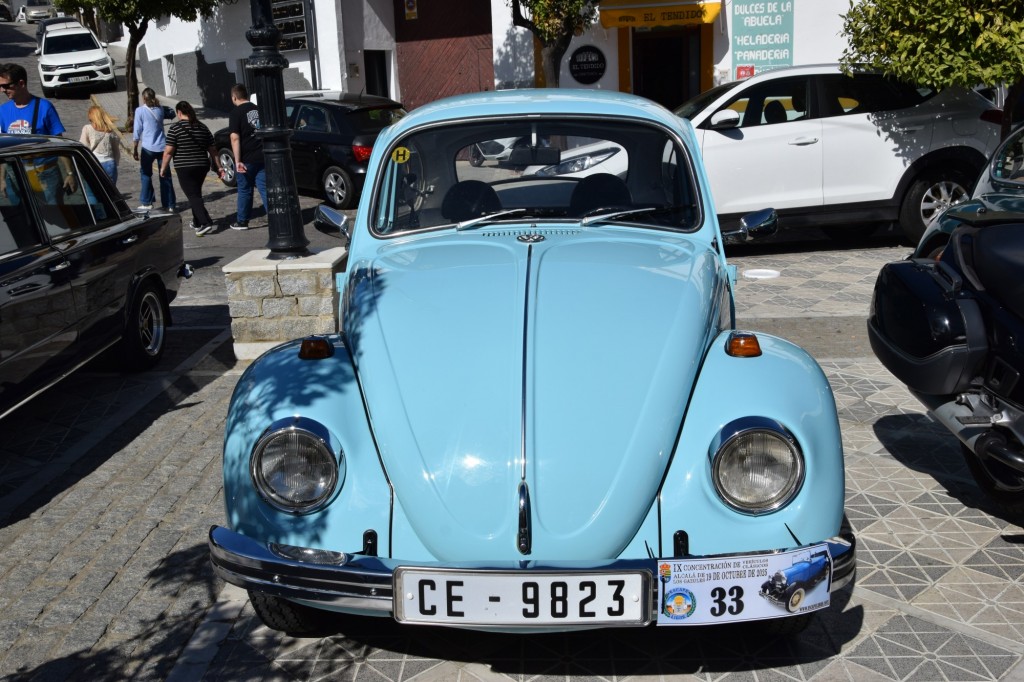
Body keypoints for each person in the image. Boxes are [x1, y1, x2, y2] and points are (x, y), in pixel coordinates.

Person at [0, 62, 73, 203]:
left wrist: (70, 173)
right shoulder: (2, 111)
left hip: (46, 174)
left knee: (55, 218)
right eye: (0, 86)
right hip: (16, 176)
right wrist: (1, 179)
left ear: (21, 83)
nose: (3, 90)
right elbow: (3, 149)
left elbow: (59, 143)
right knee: (22, 219)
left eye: (6, 86)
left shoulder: (45, 107)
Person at [160, 101, 222, 236]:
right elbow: (213, 150)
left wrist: (163, 168)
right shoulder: (202, 127)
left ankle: (205, 223)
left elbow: (168, 151)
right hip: (202, 166)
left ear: (179, 113)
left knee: (193, 195)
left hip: (185, 167)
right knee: (196, 193)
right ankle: (197, 221)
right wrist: (219, 167)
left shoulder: (175, 128)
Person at [228, 83, 267, 230]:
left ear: (234, 97)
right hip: (262, 155)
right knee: (265, 189)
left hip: (247, 157)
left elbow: (235, 138)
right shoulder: (258, 110)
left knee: (245, 190)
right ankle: (276, 217)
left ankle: (243, 221)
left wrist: (237, 161)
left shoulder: (236, 113)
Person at [133, 88, 176, 211]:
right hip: (163, 146)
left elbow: (137, 131)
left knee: (146, 174)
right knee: (165, 175)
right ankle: (169, 204)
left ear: (144, 99)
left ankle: (147, 202)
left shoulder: (140, 111)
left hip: (148, 148)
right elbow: (169, 112)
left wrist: (135, 149)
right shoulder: (160, 109)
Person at [80, 105, 124, 184]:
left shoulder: (87, 128)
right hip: (110, 164)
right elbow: (116, 149)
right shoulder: (110, 131)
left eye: (90, 120)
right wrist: (116, 163)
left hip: (94, 163)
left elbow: (83, 146)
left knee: (94, 192)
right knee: (110, 193)